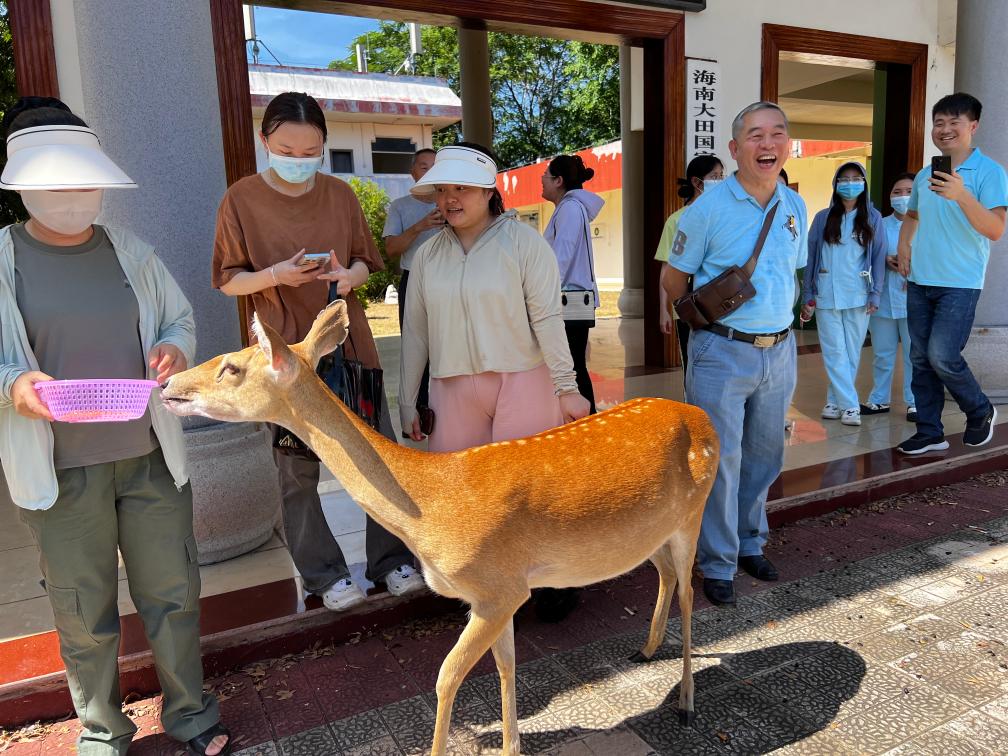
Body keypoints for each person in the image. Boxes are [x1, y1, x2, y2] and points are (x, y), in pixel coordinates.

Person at [0, 98, 230, 755]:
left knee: (173, 596)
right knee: (82, 614)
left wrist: (174, 349)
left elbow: (178, 321)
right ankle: (102, 730)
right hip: (61, 474)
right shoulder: (3, 258)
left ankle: (191, 715)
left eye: (82, 175)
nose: (73, 192)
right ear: (20, 178)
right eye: (54, 177)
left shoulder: (130, 250)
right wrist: (12, 383)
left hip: (149, 458)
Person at [211, 92, 422, 611]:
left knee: (376, 453)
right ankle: (323, 575)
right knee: (297, 470)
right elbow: (227, 281)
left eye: (312, 153)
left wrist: (348, 276)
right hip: (282, 358)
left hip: (347, 343)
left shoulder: (340, 195)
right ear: (266, 142)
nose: (300, 161)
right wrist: (275, 276)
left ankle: (391, 559)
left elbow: (365, 262)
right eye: (288, 149)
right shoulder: (241, 199)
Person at [398, 144, 591, 619]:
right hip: (452, 387)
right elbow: (416, 330)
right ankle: (485, 594)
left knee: (526, 495)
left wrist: (566, 387)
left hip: (523, 379)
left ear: (489, 190)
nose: (450, 198)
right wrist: (407, 400)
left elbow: (548, 319)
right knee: (464, 497)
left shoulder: (524, 244)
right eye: (442, 189)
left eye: (461, 187)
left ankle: (547, 587)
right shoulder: (427, 255)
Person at [666, 102, 807, 607]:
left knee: (765, 455)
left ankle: (750, 542)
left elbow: (792, 272)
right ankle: (718, 560)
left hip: (780, 349)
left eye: (776, 134)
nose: (767, 144)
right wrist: (699, 336)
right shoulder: (705, 209)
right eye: (754, 135)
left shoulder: (794, 206)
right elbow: (673, 279)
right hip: (722, 352)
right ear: (734, 148)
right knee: (718, 460)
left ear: (787, 144)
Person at [896, 92, 1007, 455]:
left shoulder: (990, 172)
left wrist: (962, 194)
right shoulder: (928, 173)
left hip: (959, 283)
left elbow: (994, 229)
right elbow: (912, 215)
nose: (944, 130)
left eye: (953, 123)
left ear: (972, 127)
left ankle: (980, 409)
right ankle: (930, 431)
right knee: (919, 358)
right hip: (920, 281)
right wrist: (904, 247)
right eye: (938, 122)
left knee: (942, 354)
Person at [801, 162, 886, 427]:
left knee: (851, 353)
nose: (850, 183)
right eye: (844, 179)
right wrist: (808, 294)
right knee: (833, 351)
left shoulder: (873, 217)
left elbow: (879, 258)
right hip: (826, 293)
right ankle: (850, 406)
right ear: (836, 184)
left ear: (864, 183)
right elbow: (811, 256)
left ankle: (834, 400)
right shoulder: (823, 217)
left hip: (859, 294)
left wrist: (875, 294)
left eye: (856, 178)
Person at [541, 153, 604, 413]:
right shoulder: (571, 208)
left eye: (544, 177)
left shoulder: (569, 208)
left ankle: (586, 422)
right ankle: (586, 422)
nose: (542, 182)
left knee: (573, 367)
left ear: (558, 180)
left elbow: (561, 257)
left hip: (567, 300)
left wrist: (542, 293)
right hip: (575, 300)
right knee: (574, 364)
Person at [382, 148, 440, 410]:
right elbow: (391, 249)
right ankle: (417, 409)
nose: (430, 172)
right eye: (424, 166)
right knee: (415, 347)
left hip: (449, 282)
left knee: (449, 343)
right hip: (414, 281)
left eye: (436, 166)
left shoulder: (453, 202)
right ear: (413, 172)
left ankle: (447, 407)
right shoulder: (400, 206)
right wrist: (420, 226)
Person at [656, 155, 725, 369]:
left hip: (724, 303)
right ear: (697, 183)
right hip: (691, 307)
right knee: (693, 366)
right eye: (715, 176)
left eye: (723, 176)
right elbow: (667, 269)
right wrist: (664, 309)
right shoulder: (677, 220)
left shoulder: (726, 215)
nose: (721, 181)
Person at [862, 173, 917, 421]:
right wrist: (883, 260)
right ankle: (879, 400)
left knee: (913, 355)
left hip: (914, 299)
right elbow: (863, 257)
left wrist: (913, 267)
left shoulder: (926, 224)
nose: (902, 196)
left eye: (908, 191)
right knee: (882, 353)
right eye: (897, 192)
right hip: (882, 299)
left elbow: (935, 257)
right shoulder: (878, 225)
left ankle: (915, 402)